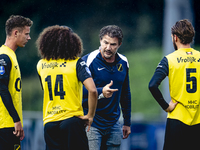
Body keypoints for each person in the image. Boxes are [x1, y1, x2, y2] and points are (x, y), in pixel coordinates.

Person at [36, 25, 98, 150]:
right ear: (72, 43)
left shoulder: (41, 64)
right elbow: (92, 90)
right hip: (71, 121)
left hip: (50, 123)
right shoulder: (77, 63)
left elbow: (46, 89)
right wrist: (90, 116)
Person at [149, 19, 200, 150]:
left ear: (175, 37)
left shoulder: (169, 59)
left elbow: (152, 85)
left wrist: (166, 106)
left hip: (177, 120)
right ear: (191, 37)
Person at [82, 25, 131, 150]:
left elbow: (125, 93)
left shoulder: (124, 62)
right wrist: (100, 92)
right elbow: (79, 91)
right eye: (105, 43)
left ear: (119, 44)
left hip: (114, 123)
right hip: (92, 122)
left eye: (113, 44)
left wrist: (127, 122)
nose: (108, 48)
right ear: (100, 41)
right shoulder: (88, 61)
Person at [0, 15, 32, 149]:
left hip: (9, 124)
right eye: (27, 34)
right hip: (5, 124)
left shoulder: (11, 55)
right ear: (16, 33)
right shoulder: (4, 56)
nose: (29, 38)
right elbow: (1, 88)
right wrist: (16, 119)